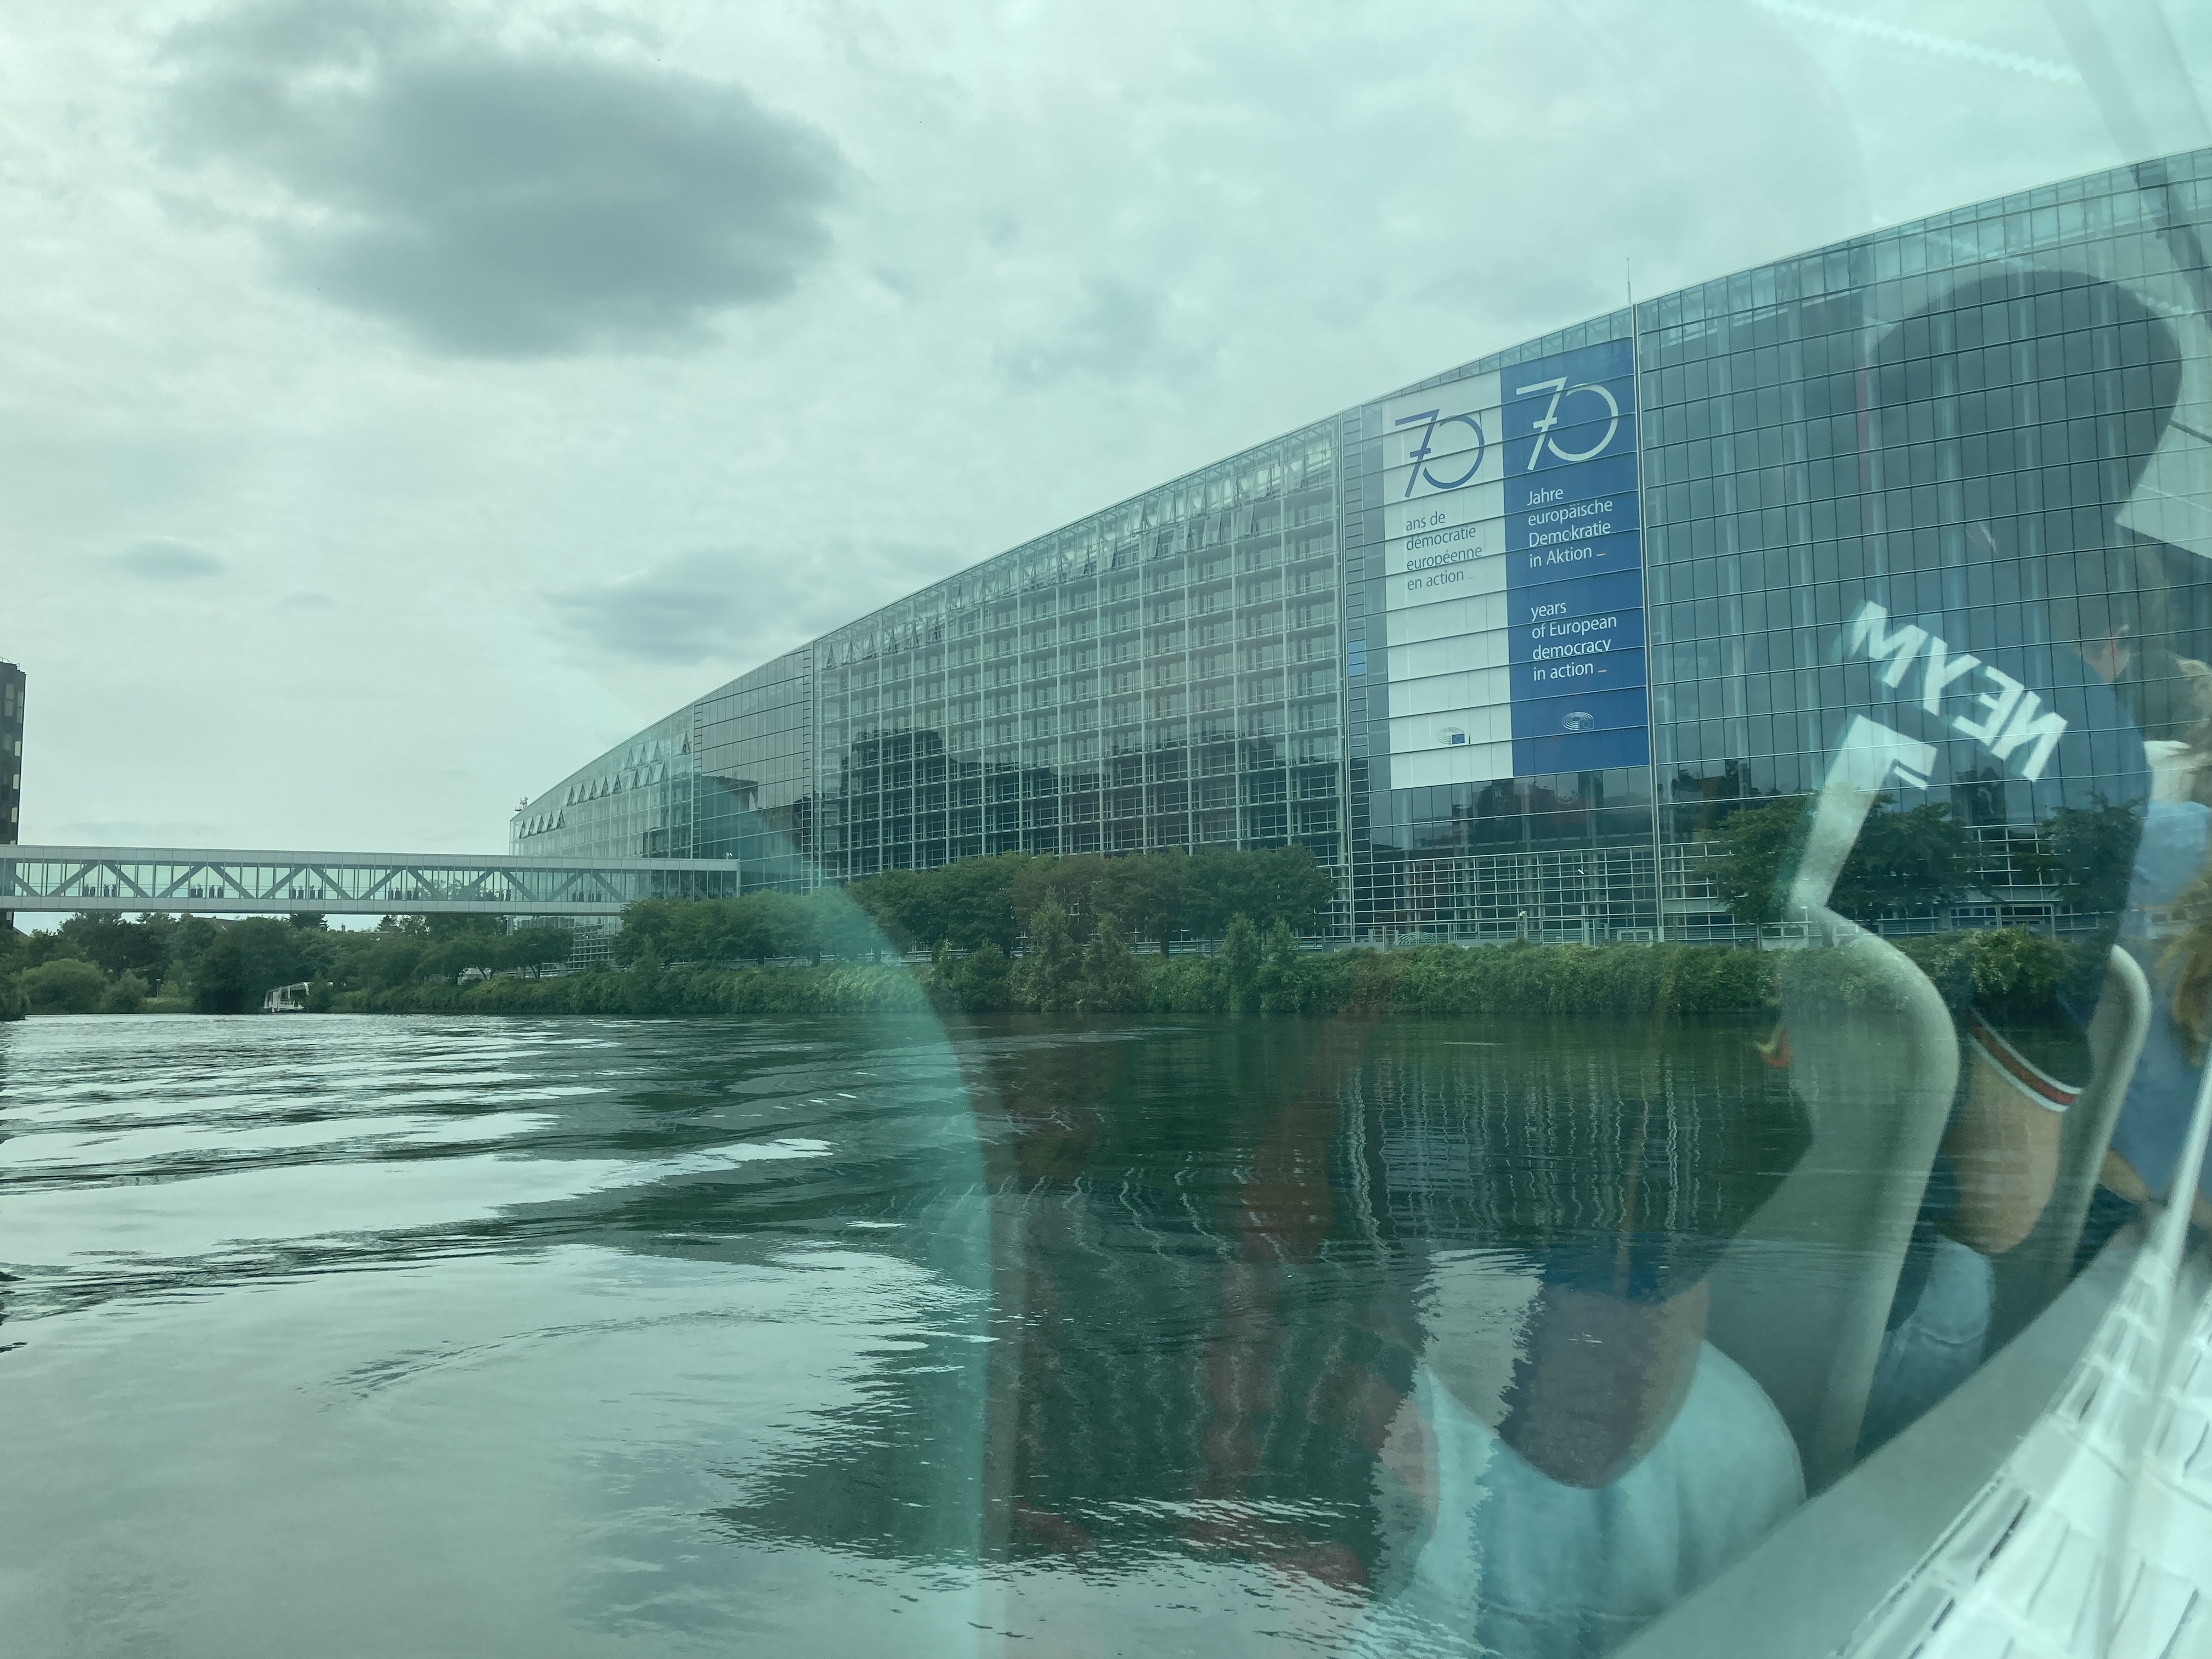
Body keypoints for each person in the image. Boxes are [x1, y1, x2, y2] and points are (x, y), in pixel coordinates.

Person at [1763, 267, 2184, 1454]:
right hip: (1851, 1276)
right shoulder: (2093, 752)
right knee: (1972, 1279)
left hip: (1666, 1173)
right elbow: (1998, 1202)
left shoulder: (1780, 595)